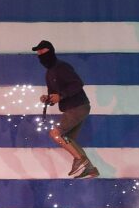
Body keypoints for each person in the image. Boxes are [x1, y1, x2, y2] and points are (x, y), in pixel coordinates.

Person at [33, 41, 98, 179]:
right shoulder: (49, 73)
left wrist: (61, 95)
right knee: (68, 138)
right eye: (38, 52)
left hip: (77, 107)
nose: (40, 54)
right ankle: (90, 169)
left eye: (42, 51)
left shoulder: (62, 67)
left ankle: (79, 160)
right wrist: (48, 99)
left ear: (50, 51)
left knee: (56, 134)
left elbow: (77, 84)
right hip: (74, 108)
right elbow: (54, 95)